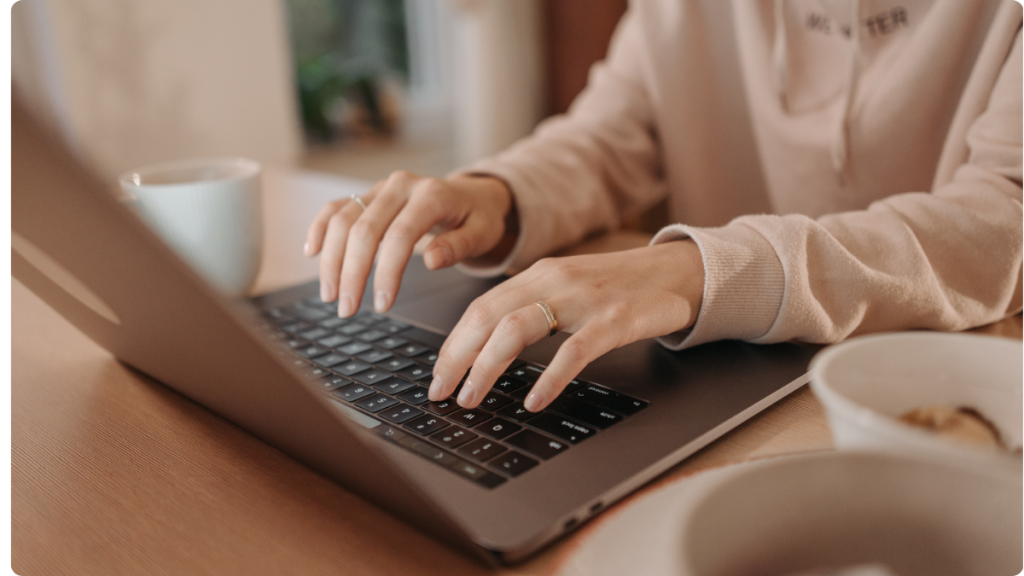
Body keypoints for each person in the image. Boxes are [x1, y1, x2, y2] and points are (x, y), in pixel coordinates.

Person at [304, 0, 1023, 414]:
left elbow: (1002, 217)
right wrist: (498, 194)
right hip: (724, 389)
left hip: (939, 397)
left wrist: (696, 273)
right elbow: (610, 136)